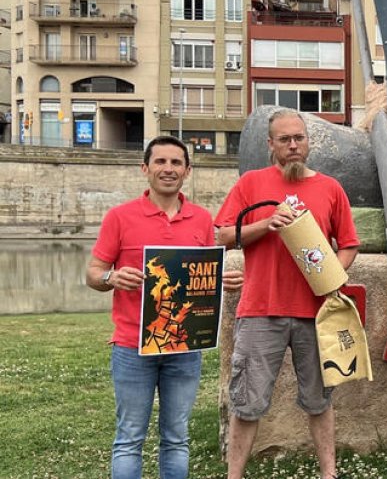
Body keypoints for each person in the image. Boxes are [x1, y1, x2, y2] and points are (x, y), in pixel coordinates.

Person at [215, 109, 360, 479]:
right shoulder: (251, 183)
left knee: (319, 400)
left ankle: (329, 474)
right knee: (247, 402)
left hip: (316, 314)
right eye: (285, 140)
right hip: (260, 310)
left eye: (299, 138)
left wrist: (333, 278)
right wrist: (266, 223)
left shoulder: (330, 188)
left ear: (308, 141)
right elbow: (224, 235)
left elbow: (349, 244)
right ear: (270, 145)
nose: (293, 145)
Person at [87, 135, 243, 479]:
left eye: (176, 163)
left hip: (185, 346)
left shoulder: (203, 220)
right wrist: (111, 277)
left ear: (187, 171)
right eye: (160, 162)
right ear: (145, 168)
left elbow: (198, 278)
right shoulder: (119, 217)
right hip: (131, 345)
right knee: (129, 439)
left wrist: (219, 283)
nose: (168, 169)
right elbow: (93, 274)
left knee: (176, 438)